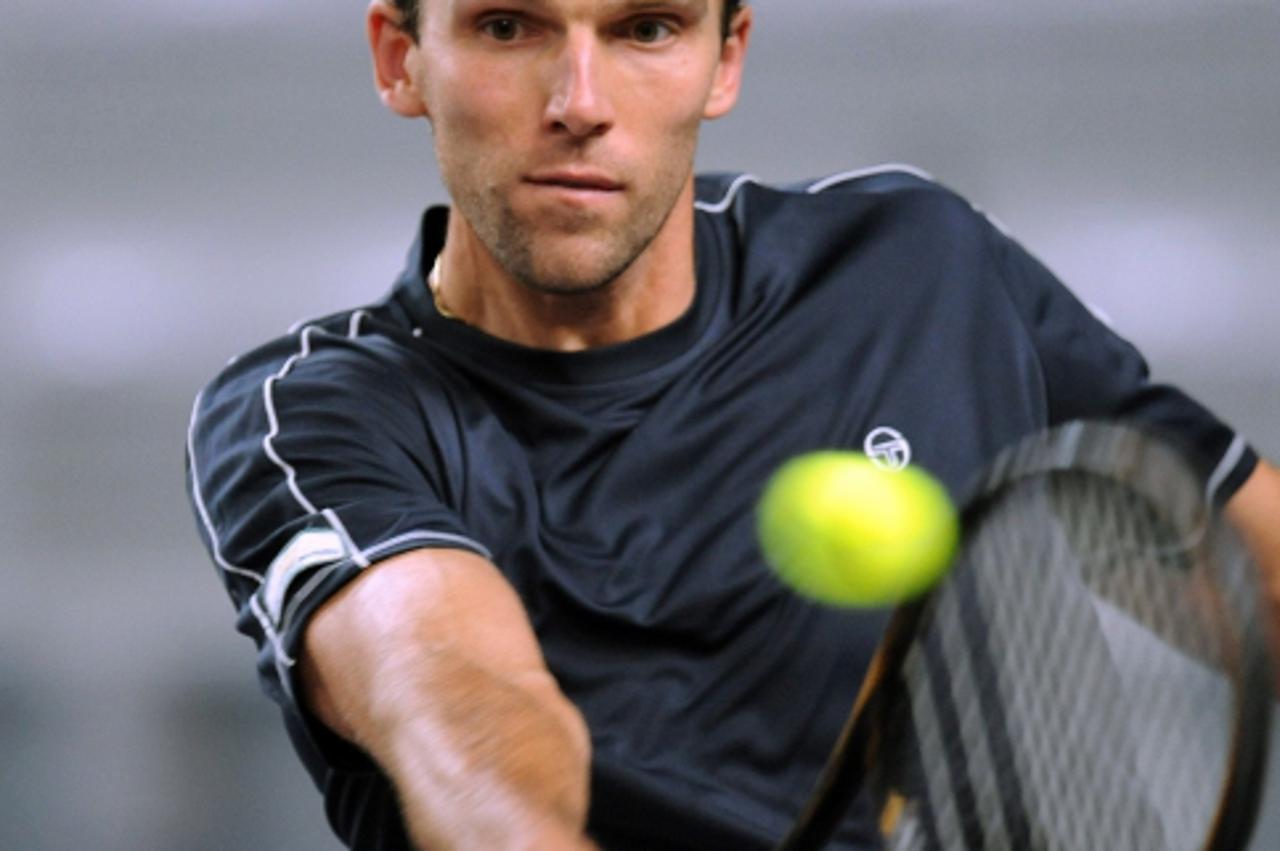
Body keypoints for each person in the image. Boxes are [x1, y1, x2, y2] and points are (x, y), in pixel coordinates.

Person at [185, 1, 1280, 848]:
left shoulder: (914, 269)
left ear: (725, 57)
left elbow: (1252, 577)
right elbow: (461, 705)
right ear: (399, 57)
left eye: (646, 28)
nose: (578, 98)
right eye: (508, 25)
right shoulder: (310, 411)